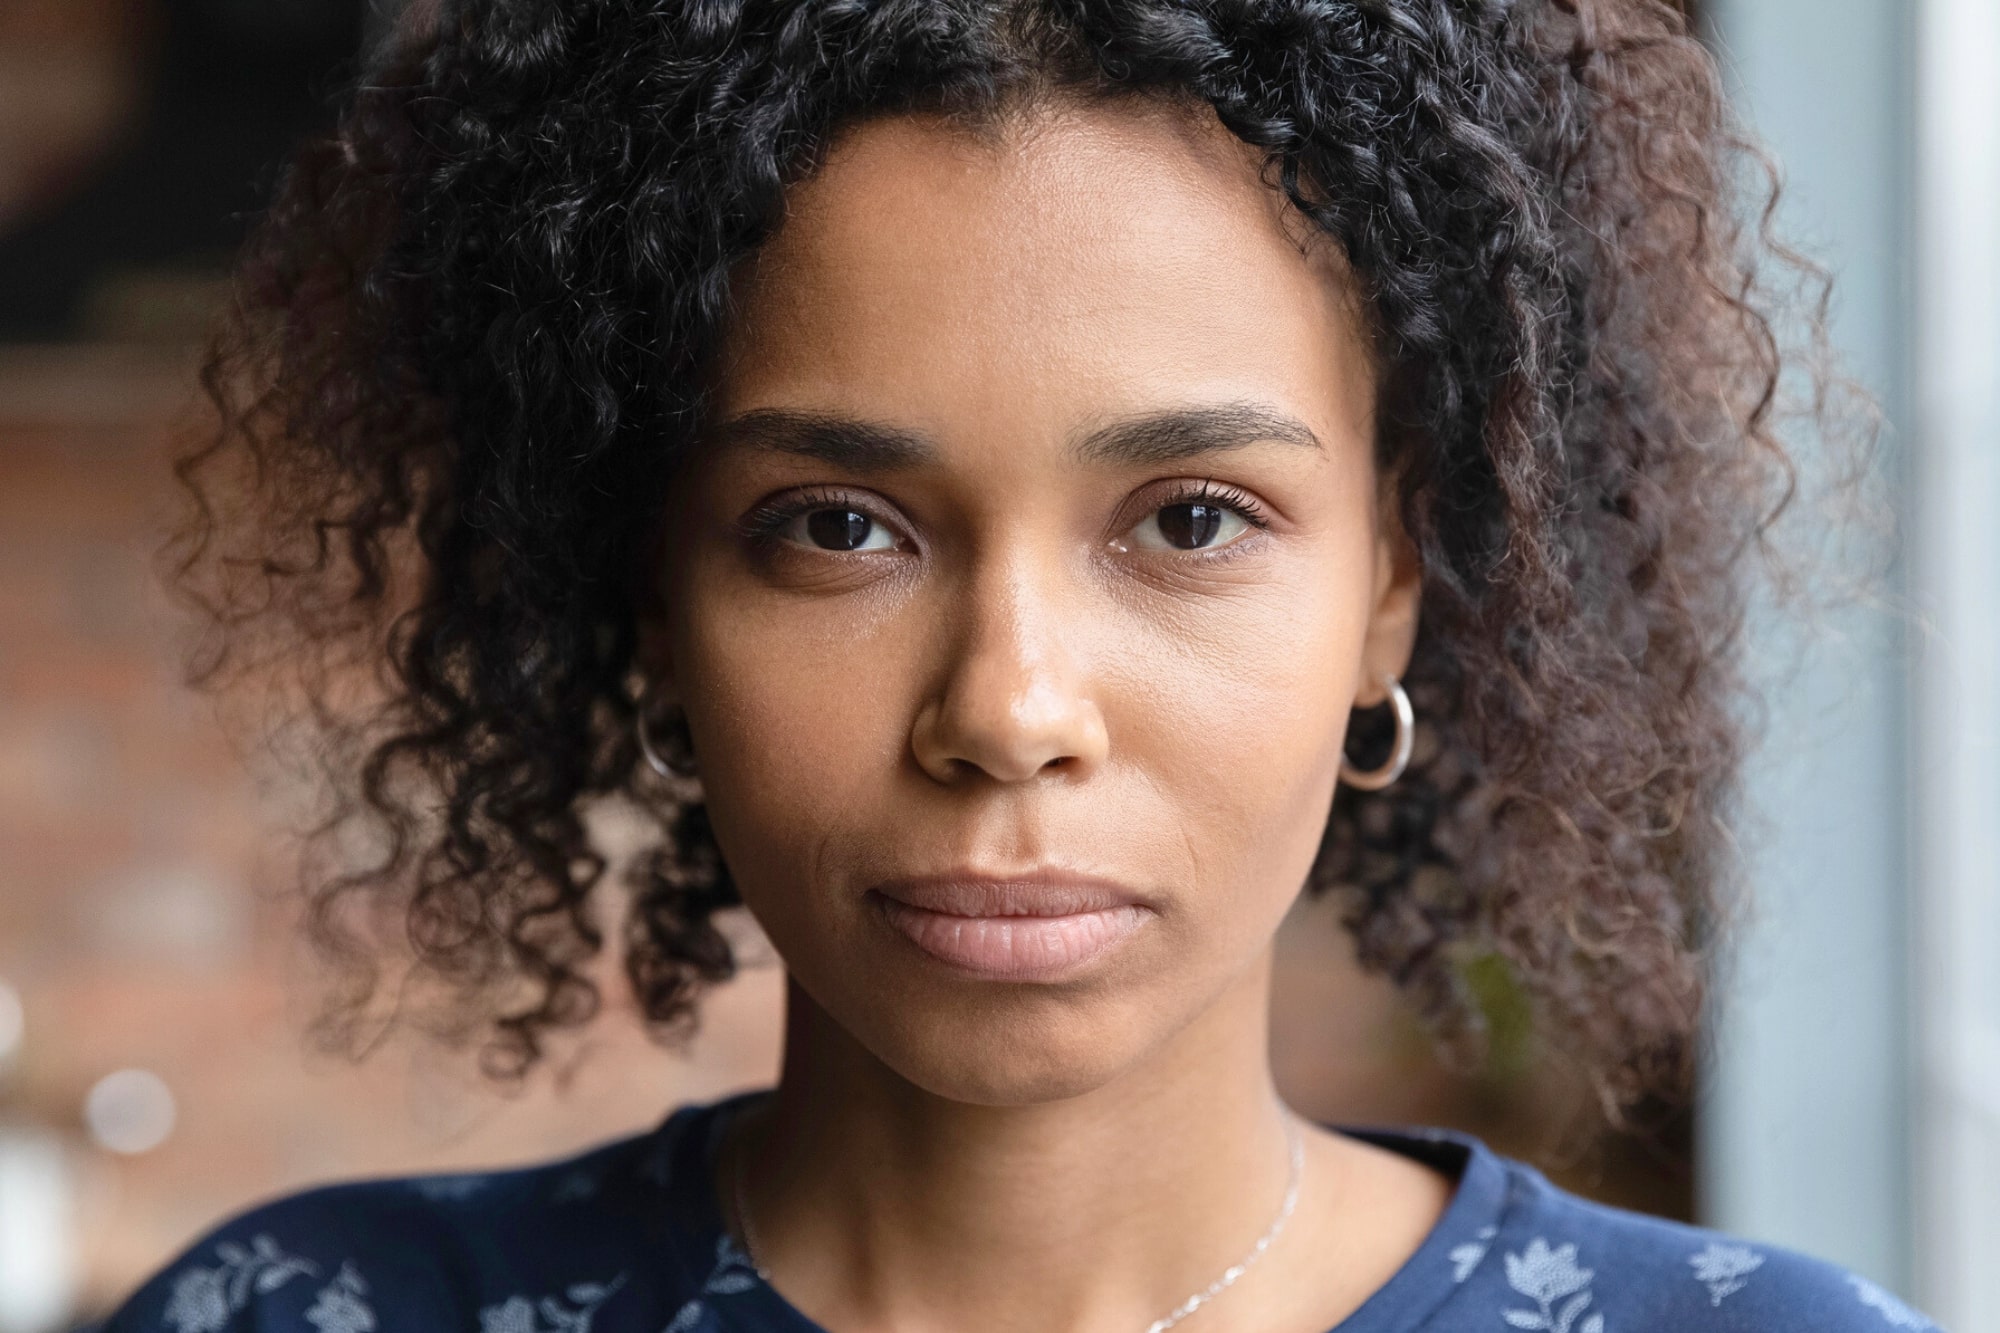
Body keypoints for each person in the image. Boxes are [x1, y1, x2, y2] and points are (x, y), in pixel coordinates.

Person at [101, 1, 1936, 1331]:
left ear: (1392, 583)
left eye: (1194, 519)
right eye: (836, 524)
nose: (1007, 708)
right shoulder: (308, 1315)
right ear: (653, 597)